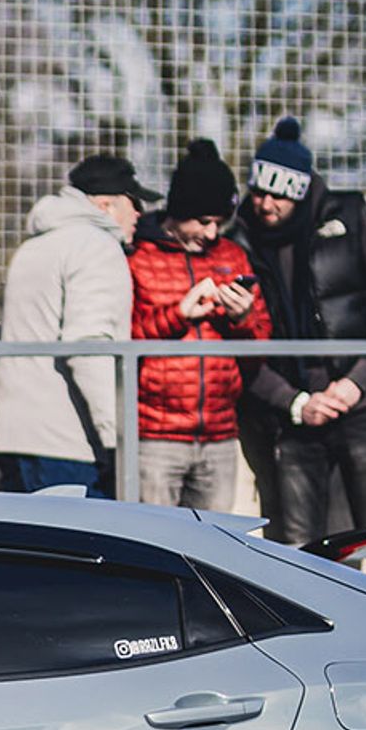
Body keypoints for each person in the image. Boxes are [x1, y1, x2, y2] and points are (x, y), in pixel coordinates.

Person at [231, 117, 366, 586]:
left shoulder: (349, 219)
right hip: (293, 411)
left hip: (363, 404)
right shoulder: (241, 239)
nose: (266, 204)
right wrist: (295, 402)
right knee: (298, 549)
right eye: (259, 192)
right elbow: (238, 344)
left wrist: (356, 382)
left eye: (278, 194)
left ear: (300, 190)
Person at [0, 154, 152, 495]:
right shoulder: (96, 248)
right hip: (67, 444)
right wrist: (117, 435)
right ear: (106, 205)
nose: (140, 214)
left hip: (14, 437)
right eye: (133, 203)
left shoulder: (34, 246)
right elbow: (89, 347)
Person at [128, 139, 270, 509]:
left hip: (220, 435)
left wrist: (243, 318)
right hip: (154, 436)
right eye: (204, 222)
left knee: (214, 550)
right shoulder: (139, 256)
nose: (211, 233)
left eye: (219, 223)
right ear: (178, 212)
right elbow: (124, 336)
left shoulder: (233, 255)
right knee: (153, 547)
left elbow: (262, 343)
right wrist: (177, 315)